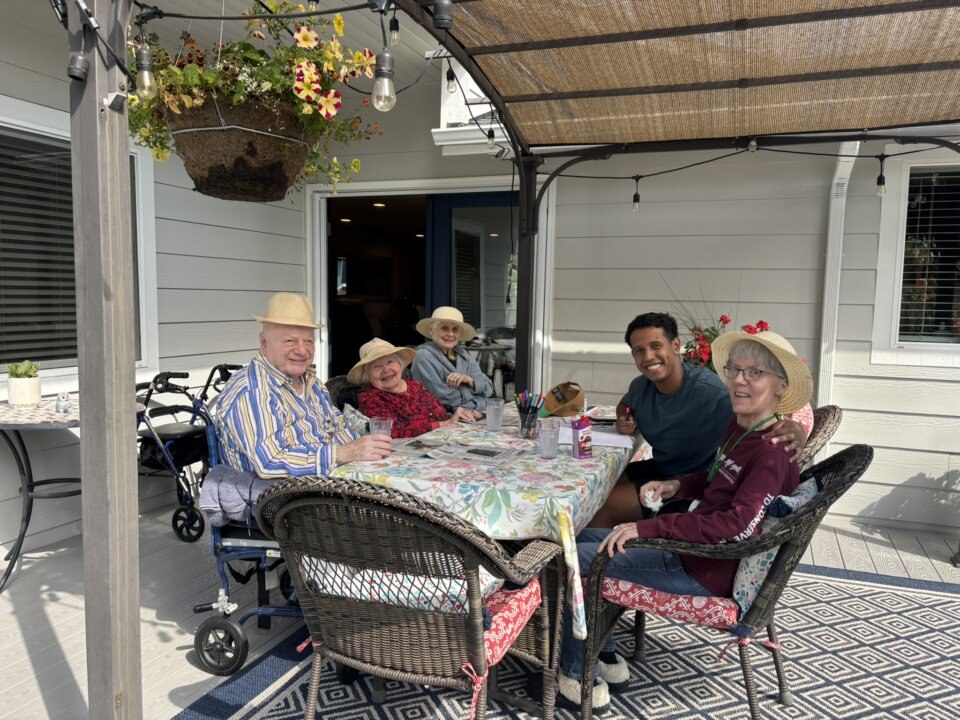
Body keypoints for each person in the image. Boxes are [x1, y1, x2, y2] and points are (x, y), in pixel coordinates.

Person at [557, 329, 813, 711]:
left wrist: (645, 527)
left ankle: (576, 678)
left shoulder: (772, 452)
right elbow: (716, 478)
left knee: (574, 558)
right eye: (735, 370)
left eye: (755, 373)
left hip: (704, 567)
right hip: (693, 547)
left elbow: (736, 527)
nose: (740, 380)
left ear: (781, 387)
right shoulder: (742, 426)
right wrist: (677, 485)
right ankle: (603, 653)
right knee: (585, 538)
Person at [588, 312, 810, 528]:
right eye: (639, 350)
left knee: (603, 507)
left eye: (656, 346)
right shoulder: (639, 386)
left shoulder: (711, 393)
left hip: (696, 482)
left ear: (676, 345)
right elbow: (625, 404)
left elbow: (762, 410)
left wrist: (796, 428)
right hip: (663, 468)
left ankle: (601, 547)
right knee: (600, 486)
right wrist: (623, 416)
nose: (648, 356)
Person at [214, 292, 392, 478]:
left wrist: (364, 447)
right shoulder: (253, 390)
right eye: (290, 340)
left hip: (328, 482)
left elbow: (339, 429)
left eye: (308, 341)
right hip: (281, 494)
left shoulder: (313, 384)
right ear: (264, 343)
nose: (302, 350)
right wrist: (343, 453)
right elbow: (269, 462)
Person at [350, 338, 481, 438]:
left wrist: (460, 416)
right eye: (376, 366)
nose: (386, 370)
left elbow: (440, 414)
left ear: (400, 365)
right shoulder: (369, 396)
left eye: (390, 362)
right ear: (367, 375)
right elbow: (391, 432)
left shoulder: (415, 385)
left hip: (441, 440)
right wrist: (442, 425)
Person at [410, 306, 494, 411]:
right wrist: (480, 399)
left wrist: (469, 379)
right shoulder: (423, 357)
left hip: (472, 413)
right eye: (444, 328)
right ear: (432, 331)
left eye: (455, 329)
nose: (450, 334)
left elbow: (488, 387)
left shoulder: (463, 354)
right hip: (444, 417)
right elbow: (444, 400)